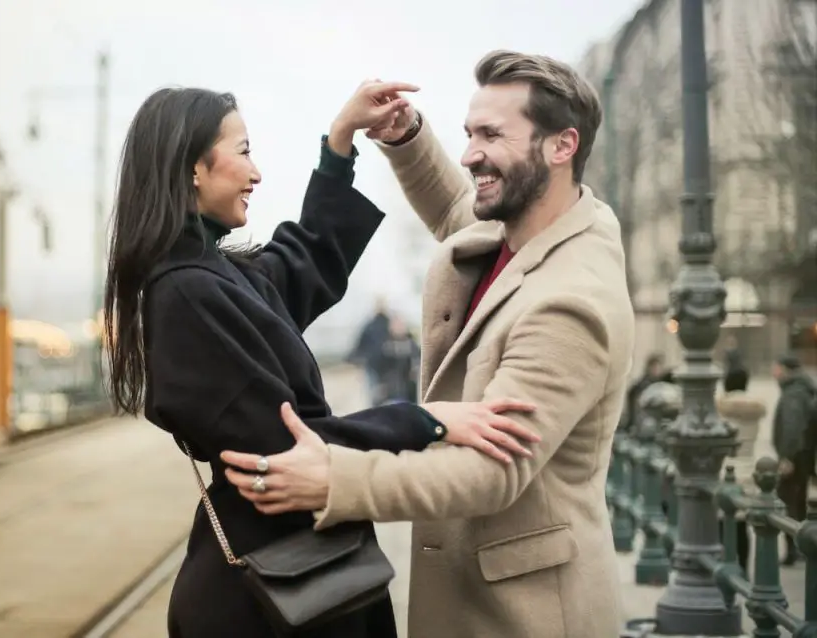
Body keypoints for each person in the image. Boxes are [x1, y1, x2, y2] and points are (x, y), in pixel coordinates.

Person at [102, 83, 541, 638]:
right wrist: (429, 419)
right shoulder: (188, 293)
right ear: (193, 168)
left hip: (294, 574)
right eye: (242, 152)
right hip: (273, 595)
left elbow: (304, 258)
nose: (256, 173)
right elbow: (289, 450)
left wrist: (339, 145)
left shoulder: (213, 274)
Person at [222, 50, 635, 638]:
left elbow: (491, 471)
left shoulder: (570, 300)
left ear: (561, 146)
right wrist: (406, 135)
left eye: (492, 134)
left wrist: (336, 480)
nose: (470, 154)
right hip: (478, 595)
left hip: (528, 615)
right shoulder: (527, 223)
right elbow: (454, 209)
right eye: (469, 133)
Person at [771, 353, 816, 566]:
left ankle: (795, 549)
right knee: (797, 502)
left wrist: (786, 457)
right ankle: (798, 548)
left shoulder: (793, 394)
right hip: (804, 456)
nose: (774, 372)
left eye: (777, 368)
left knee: (789, 502)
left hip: (796, 457)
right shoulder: (800, 390)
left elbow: (792, 427)